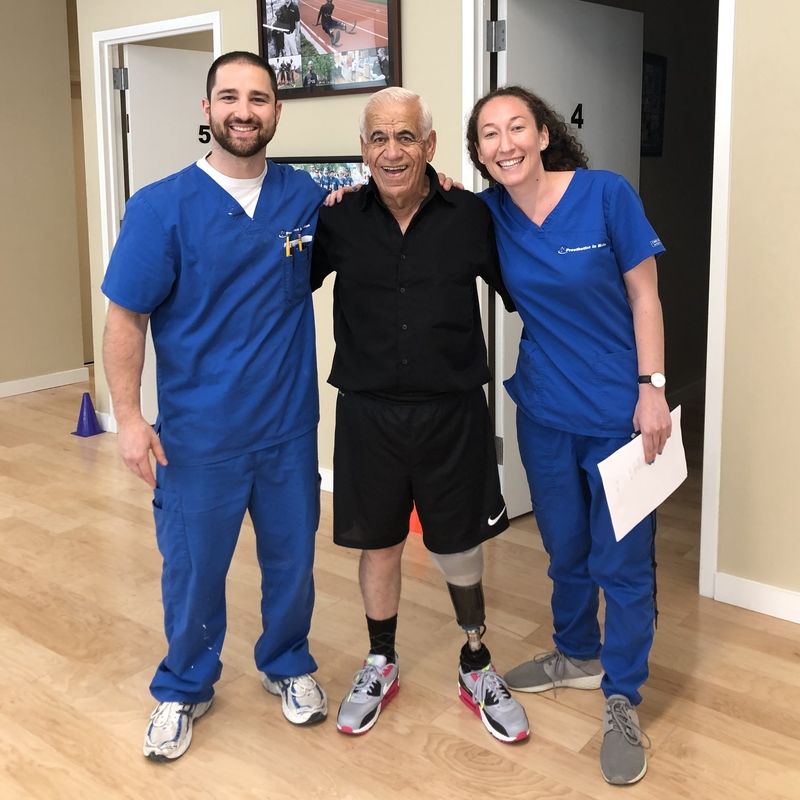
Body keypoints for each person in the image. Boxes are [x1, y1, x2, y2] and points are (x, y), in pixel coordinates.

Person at [101, 51, 329, 763]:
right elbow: (124, 320)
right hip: (199, 437)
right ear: (207, 110)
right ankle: (185, 685)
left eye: (258, 98)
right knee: (194, 569)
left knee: (292, 563)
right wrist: (130, 420)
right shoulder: (161, 207)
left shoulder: (305, 197)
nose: (244, 110)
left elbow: (379, 218)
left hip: (288, 429)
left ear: (276, 113)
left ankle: (287, 664)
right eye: (229, 96)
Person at [311, 87, 530, 744]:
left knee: (458, 540)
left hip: (453, 412)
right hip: (369, 413)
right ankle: (381, 660)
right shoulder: (339, 218)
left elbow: (533, 290)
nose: (392, 150)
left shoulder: (472, 215)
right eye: (378, 138)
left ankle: (474, 658)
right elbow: (279, 281)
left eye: (405, 137)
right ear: (363, 150)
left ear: (430, 146)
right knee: (378, 540)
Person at [466, 85, 671, 784]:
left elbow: (645, 295)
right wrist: (348, 197)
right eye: (489, 135)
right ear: (480, 153)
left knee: (624, 562)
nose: (505, 144)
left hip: (620, 415)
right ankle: (576, 652)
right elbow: (418, 203)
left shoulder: (606, 195)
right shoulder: (490, 213)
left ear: (544, 133)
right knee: (565, 549)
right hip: (546, 413)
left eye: (516, 127)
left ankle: (622, 693)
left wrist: (653, 390)